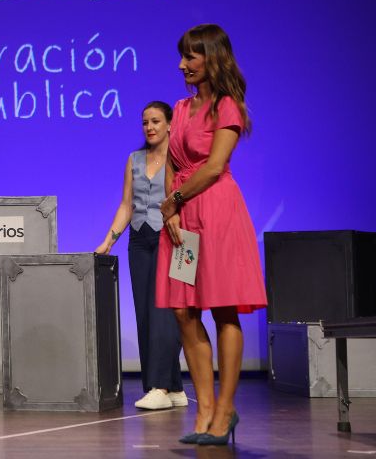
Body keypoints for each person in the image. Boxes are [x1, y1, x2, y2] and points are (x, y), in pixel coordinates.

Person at [156, 24, 267, 446]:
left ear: (212, 58)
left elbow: (216, 166)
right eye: (183, 56)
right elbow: (170, 163)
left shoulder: (227, 107)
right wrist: (171, 209)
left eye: (191, 56)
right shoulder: (181, 108)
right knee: (184, 311)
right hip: (182, 216)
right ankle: (203, 410)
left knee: (222, 309)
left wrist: (177, 198)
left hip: (216, 211)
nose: (183, 64)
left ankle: (225, 410)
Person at [96, 102, 187, 411]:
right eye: (145, 122)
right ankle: (171, 386)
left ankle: (160, 385)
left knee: (166, 311)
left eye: (156, 121)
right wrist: (109, 240)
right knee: (146, 313)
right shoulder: (134, 160)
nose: (150, 127)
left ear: (170, 125)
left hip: (172, 237)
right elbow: (126, 205)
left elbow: (186, 196)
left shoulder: (180, 158)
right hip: (139, 238)